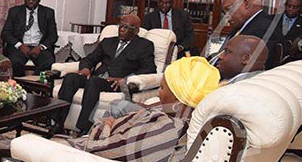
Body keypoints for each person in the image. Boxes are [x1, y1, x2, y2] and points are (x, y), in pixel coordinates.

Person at [62, 56, 220, 162]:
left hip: (82, 161)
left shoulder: (165, 130)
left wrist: (105, 124)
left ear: (178, 99)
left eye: (162, 88)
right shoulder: (181, 121)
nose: (159, 93)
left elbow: (95, 149)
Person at [103, 35, 268, 119]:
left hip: (170, 125)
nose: (221, 57)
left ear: (246, 59)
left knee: (117, 106)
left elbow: (188, 110)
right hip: (172, 116)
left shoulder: (238, 89)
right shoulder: (248, 81)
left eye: (227, 52)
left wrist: (152, 109)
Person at [56, 14, 156, 134]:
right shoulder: (108, 42)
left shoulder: (144, 45)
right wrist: (86, 68)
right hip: (97, 78)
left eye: (126, 27)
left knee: (93, 81)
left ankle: (84, 128)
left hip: (115, 83)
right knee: (71, 77)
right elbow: (90, 58)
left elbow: (150, 68)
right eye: (120, 26)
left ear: (136, 31)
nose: (121, 29)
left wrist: (125, 79)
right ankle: (58, 123)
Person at [213, 0, 283, 69]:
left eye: (229, 9)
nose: (226, 17)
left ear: (246, 4)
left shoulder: (263, 29)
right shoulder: (244, 25)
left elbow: (246, 68)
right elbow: (221, 54)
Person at [1, 0, 58, 77]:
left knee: (48, 62)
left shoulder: (48, 13)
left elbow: (53, 35)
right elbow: (5, 33)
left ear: (39, 0)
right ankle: (19, 82)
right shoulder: (15, 11)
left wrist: (41, 47)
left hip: (39, 47)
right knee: (14, 62)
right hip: (20, 47)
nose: (30, 1)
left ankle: (34, 83)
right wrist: (20, 45)